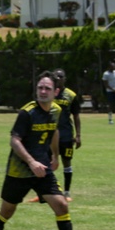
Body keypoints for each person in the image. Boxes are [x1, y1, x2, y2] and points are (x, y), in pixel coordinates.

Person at [0, 72, 95, 230]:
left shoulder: (56, 110)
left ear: (56, 91)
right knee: (7, 211)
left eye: (47, 88)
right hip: (19, 170)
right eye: (40, 88)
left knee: (61, 205)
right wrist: (31, 162)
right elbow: (15, 140)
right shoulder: (27, 113)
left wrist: (55, 156)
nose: (43, 91)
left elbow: (54, 131)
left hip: (43, 168)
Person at [30, 68, 81, 203]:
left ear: (65, 79)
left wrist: (78, 135)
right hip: (49, 135)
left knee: (66, 162)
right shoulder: (49, 93)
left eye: (60, 77)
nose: (58, 79)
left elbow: (76, 116)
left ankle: (66, 192)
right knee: (44, 163)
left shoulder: (71, 95)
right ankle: (43, 194)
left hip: (66, 136)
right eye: (56, 77)